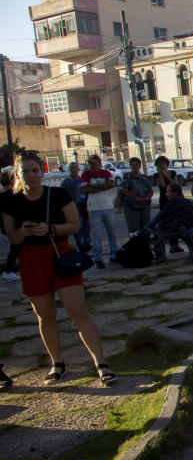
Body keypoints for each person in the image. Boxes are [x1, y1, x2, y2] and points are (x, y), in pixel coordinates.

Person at [1, 153, 117, 385]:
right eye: (26, 171)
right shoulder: (10, 202)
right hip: (31, 260)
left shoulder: (58, 194)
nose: (31, 175)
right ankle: (57, 363)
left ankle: (101, 364)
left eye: (35, 170)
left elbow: (74, 225)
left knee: (78, 312)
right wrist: (23, 233)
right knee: (45, 317)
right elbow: (12, 238)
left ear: (41, 172)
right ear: (19, 174)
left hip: (60, 255)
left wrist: (51, 228)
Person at [81, 154, 118, 269]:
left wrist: (95, 188)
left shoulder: (106, 173)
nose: (91, 165)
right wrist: (102, 186)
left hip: (107, 206)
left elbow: (111, 184)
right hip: (94, 207)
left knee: (111, 232)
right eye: (90, 163)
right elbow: (86, 189)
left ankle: (114, 254)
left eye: (93, 163)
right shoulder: (85, 175)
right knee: (96, 235)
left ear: (99, 163)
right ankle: (98, 258)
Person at [59, 162, 90, 254]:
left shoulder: (82, 180)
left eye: (75, 168)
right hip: (75, 207)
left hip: (84, 206)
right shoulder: (66, 182)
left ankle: (87, 244)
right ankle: (79, 245)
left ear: (78, 169)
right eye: (72, 168)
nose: (74, 170)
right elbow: (63, 196)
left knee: (87, 226)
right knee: (78, 228)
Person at [118, 157, 154, 235]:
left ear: (139, 166)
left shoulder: (144, 177)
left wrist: (146, 198)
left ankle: (146, 245)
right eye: (132, 165)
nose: (134, 167)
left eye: (136, 165)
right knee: (134, 229)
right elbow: (124, 190)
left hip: (144, 206)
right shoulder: (127, 177)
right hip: (131, 207)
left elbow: (150, 190)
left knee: (146, 228)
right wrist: (136, 198)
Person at [154, 156, 182, 253]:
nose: (162, 166)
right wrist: (160, 174)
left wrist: (166, 175)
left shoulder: (172, 173)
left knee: (177, 220)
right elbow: (162, 185)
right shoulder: (156, 175)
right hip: (164, 199)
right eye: (160, 164)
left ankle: (176, 244)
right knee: (167, 221)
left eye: (164, 164)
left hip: (174, 198)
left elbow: (175, 184)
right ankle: (171, 244)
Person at [1, 170, 22, 280]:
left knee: (15, 248)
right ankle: (8, 270)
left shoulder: (2, 195)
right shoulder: (10, 196)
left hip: (5, 226)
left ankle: (9, 270)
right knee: (16, 248)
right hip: (13, 226)